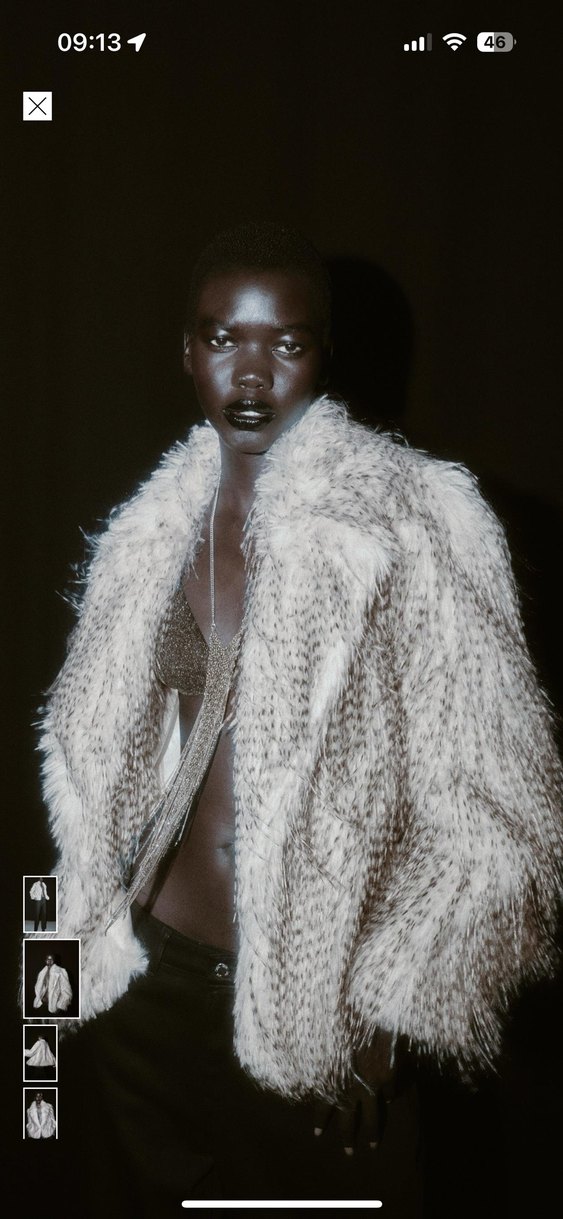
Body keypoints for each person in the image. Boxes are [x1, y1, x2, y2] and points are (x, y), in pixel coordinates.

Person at [39, 222, 562, 1212]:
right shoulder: (143, 538)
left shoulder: (412, 521)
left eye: (284, 342)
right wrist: (69, 969)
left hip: (318, 1012)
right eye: (221, 338)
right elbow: (92, 770)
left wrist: (386, 1010)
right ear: (185, 351)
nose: (250, 373)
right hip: (146, 990)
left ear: (324, 353)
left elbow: (496, 810)